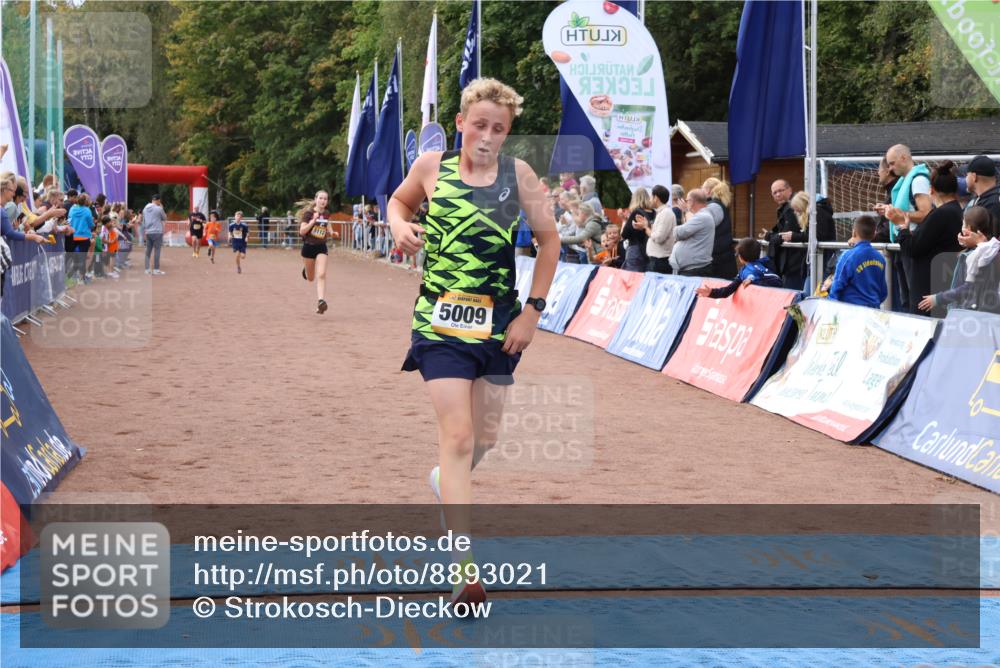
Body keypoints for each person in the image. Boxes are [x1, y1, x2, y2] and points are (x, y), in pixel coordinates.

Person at [387, 78, 559, 610]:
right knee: (458, 436)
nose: (487, 136)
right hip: (438, 324)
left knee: (484, 439)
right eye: (479, 124)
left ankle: (445, 480)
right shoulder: (430, 167)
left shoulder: (518, 175)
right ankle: (464, 570)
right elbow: (398, 202)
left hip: (499, 326)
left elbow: (550, 240)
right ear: (460, 122)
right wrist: (398, 225)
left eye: (499, 129)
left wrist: (532, 313)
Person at [890, 160, 964, 315]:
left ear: (931, 190)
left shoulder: (940, 214)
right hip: (943, 286)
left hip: (928, 291)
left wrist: (902, 227)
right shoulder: (957, 211)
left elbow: (913, 248)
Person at [877, 144, 933, 311]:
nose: (890, 168)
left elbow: (926, 213)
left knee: (915, 300)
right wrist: (890, 211)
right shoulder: (904, 181)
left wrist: (899, 215)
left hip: (915, 246)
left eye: (892, 163)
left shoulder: (918, 180)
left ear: (903, 158)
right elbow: (906, 211)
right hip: (905, 244)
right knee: (907, 300)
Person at [919, 206, 999, 315]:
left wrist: (938, 298)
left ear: (967, 229)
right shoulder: (991, 251)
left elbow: (968, 288)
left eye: (963, 224)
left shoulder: (975, 256)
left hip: (970, 313)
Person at [825, 215, 887, 309]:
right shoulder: (880, 258)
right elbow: (883, 292)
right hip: (873, 311)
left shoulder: (848, 256)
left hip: (851, 311)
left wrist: (830, 307)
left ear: (854, 232)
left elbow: (837, 286)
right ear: (874, 234)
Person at [694, 237, 783, 300]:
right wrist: (777, 239)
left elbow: (727, 290)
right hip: (781, 286)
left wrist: (711, 293)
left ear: (740, 257)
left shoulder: (745, 271)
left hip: (773, 288)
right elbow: (771, 255)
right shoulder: (764, 261)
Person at [765, 179, 806, 290]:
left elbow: (784, 235)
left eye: (781, 190)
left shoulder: (792, 208)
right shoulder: (784, 208)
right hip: (790, 264)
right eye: (775, 193)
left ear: (789, 190)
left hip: (795, 264)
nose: (778, 194)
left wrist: (770, 236)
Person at [298, 190, 334, 314]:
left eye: (325, 199)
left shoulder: (327, 213)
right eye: (321, 198)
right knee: (311, 278)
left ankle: (321, 301)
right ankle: (306, 269)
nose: (323, 201)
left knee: (322, 274)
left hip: (321, 247)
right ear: (316, 199)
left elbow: (327, 224)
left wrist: (332, 232)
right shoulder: (308, 214)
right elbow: (302, 231)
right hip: (308, 248)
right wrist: (313, 221)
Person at [670, 189, 715, 277]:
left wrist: (686, 212)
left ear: (691, 201)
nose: (685, 203)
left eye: (686, 200)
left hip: (695, 270)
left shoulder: (702, 216)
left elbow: (679, 233)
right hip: (691, 269)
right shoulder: (699, 216)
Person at [702, 177, 737, 279]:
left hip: (718, 260)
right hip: (722, 259)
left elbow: (702, 227)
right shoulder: (717, 204)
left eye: (702, 188)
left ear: (708, 190)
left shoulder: (713, 206)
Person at [636, 184, 675, 273]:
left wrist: (646, 227)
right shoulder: (661, 212)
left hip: (660, 261)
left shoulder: (666, 213)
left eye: (651, 197)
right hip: (656, 261)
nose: (649, 200)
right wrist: (646, 224)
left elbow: (658, 238)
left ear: (656, 198)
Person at [620, 187, 655, 272]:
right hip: (650, 249)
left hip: (635, 249)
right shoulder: (654, 213)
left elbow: (624, 234)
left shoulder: (636, 212)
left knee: (633, 277)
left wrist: (625, 221)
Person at [964, 155, 999, 225]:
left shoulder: (992, 204)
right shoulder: (987, 199)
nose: (966, 179)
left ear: (974, 177)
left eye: (967, 175)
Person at [142, 193, 167, 275]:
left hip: (148, 231)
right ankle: (156, 269)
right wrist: (162, 208)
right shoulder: (159, 208)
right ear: (158, 200)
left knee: (148, 251)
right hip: (157, 232)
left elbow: (144, 221)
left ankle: (147, 269)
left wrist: (145, 231)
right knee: (157, 251)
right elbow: (164, 218)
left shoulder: (145, 209)